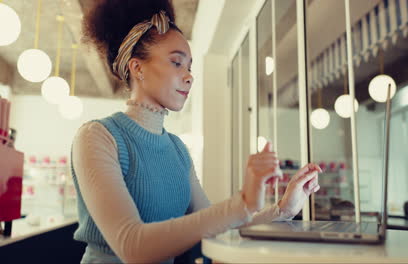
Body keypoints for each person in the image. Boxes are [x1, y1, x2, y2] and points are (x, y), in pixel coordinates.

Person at [72, 1, 321, 263]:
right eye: (177, 63)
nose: (189, 76)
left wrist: (283, 209)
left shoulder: (177, 149)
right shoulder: (97, 137)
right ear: (137, 68)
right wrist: (244, 202)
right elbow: (132, 246)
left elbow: (217, 224)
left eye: (189, 67)